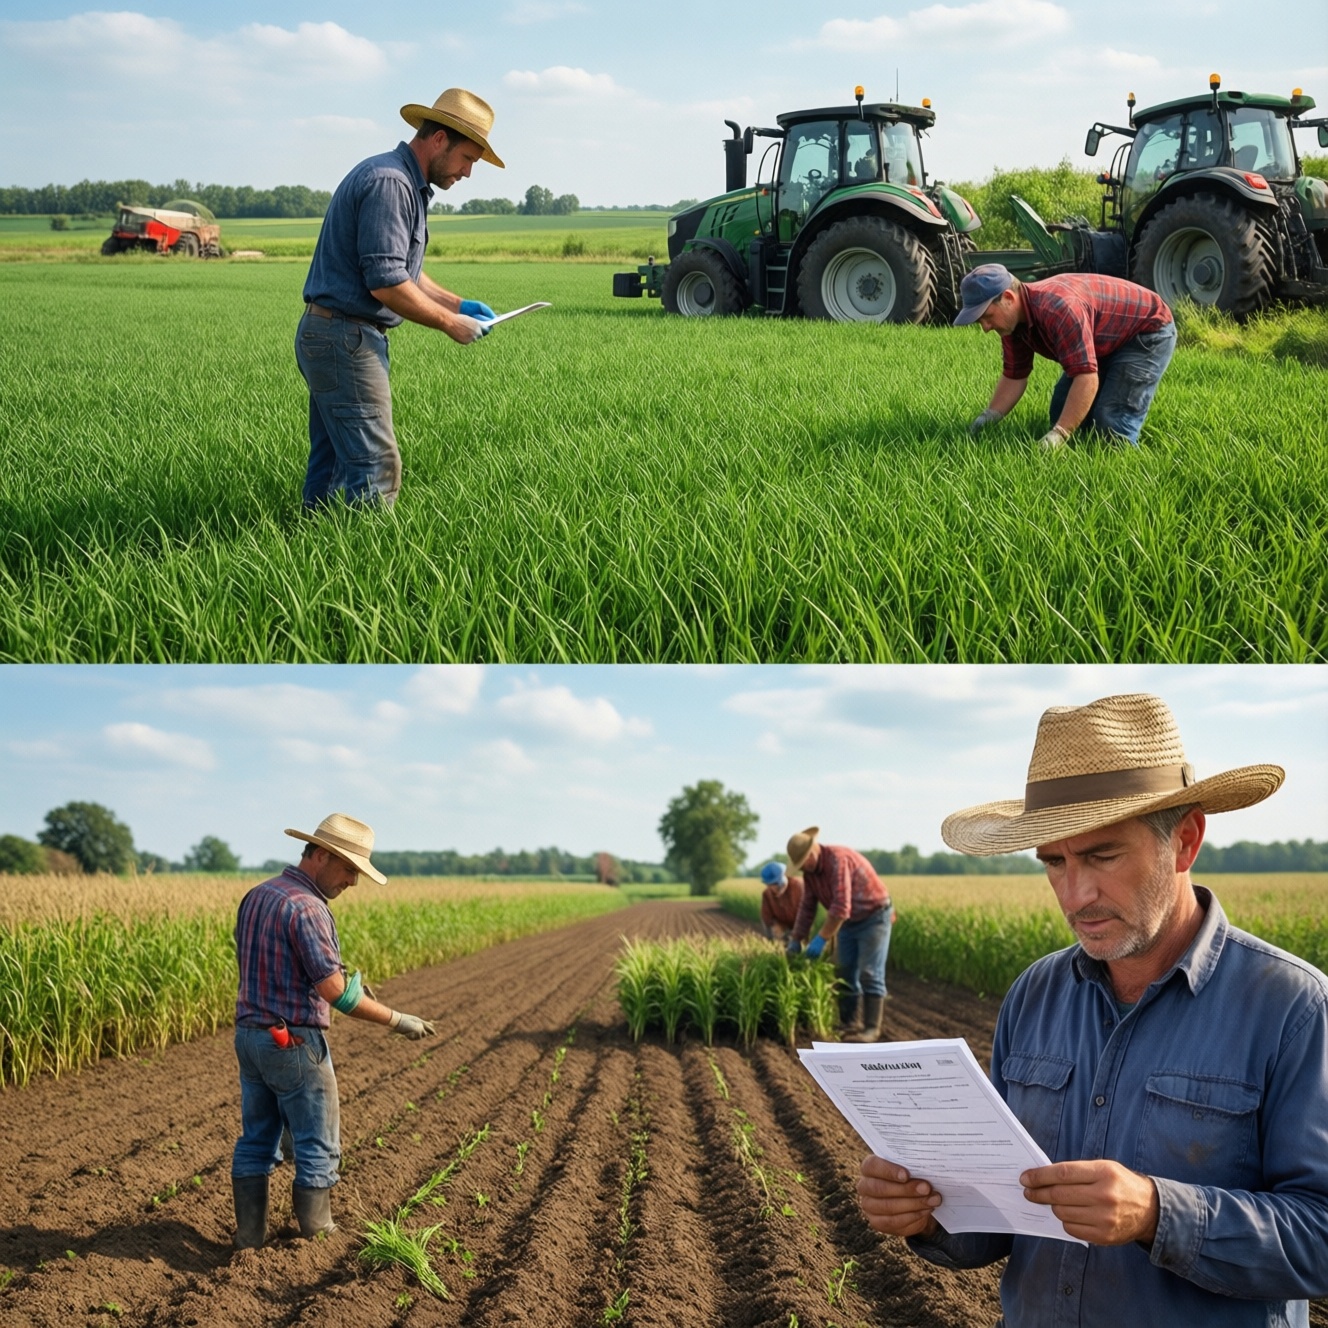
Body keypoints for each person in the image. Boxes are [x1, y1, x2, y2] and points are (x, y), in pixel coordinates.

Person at [855, 693, 1328, 1327]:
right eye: (1054, 862)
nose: (1076, 895)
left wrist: (1157, 1213)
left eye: (1103, 855)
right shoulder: (1035, 993)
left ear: (1185, 841)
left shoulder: (1292, 1007)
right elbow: (1000, 1217)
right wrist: (925, 1209)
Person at [231, 813, 436, 1249]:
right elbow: (334, 993)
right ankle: (318, 1241)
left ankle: (248, 1238)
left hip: (250, 1038)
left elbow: (274, 968)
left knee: (257, 1140)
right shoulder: (308, 908)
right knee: (318, 1144)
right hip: (294, 1043)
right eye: (349, 870)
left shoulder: (258, 895)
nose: (353, 883)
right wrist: (397, 1019)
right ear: (320, 855)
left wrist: (348, 983)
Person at [297, 88, 504, 510]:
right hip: (345, 339)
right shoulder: (392, 183)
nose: (467, 173)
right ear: (440, 139)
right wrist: (449, 325)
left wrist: (458, 305)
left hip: (335, 335)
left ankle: (313, 548)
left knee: (335, 462)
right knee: (377, 468)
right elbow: (386, 283)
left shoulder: (399, 179)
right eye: (467, 159)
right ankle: (362, 566)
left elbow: (405, 271)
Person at [956, 263, 1176, 450]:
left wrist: (1060, 434)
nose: (985, 327)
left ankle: (1120, 471)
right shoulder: (1012, 325)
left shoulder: (1058, 309)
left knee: (1111, 421)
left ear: (1008, 297)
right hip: (1106, 337)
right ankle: (1081, 454)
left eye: (987, 317)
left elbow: (1086, 377)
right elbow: (1015, 375)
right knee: (1062, 408)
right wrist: (988, 418)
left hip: (1147, 330)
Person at [786, 827, 893, 1041]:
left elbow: (841, 906)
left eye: (803, 862)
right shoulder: (811, 875)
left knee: (869, 972)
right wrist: (796, 939)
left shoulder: (837, 860)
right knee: (844, 972)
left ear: (812, 853)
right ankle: (849, 1023)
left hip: (873, 917)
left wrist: (821, 939)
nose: (802, 869)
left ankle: (871, 1028)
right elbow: (807, 907)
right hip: (848, 922)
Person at [759, 860, 805, 942]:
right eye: (770, 885)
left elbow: (808, 914)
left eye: (776, 883)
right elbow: (766, 916)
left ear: (785, 876)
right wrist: (775, 925)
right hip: (783, 930)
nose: (773, 888)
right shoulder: (766, 894)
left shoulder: (800, 887)